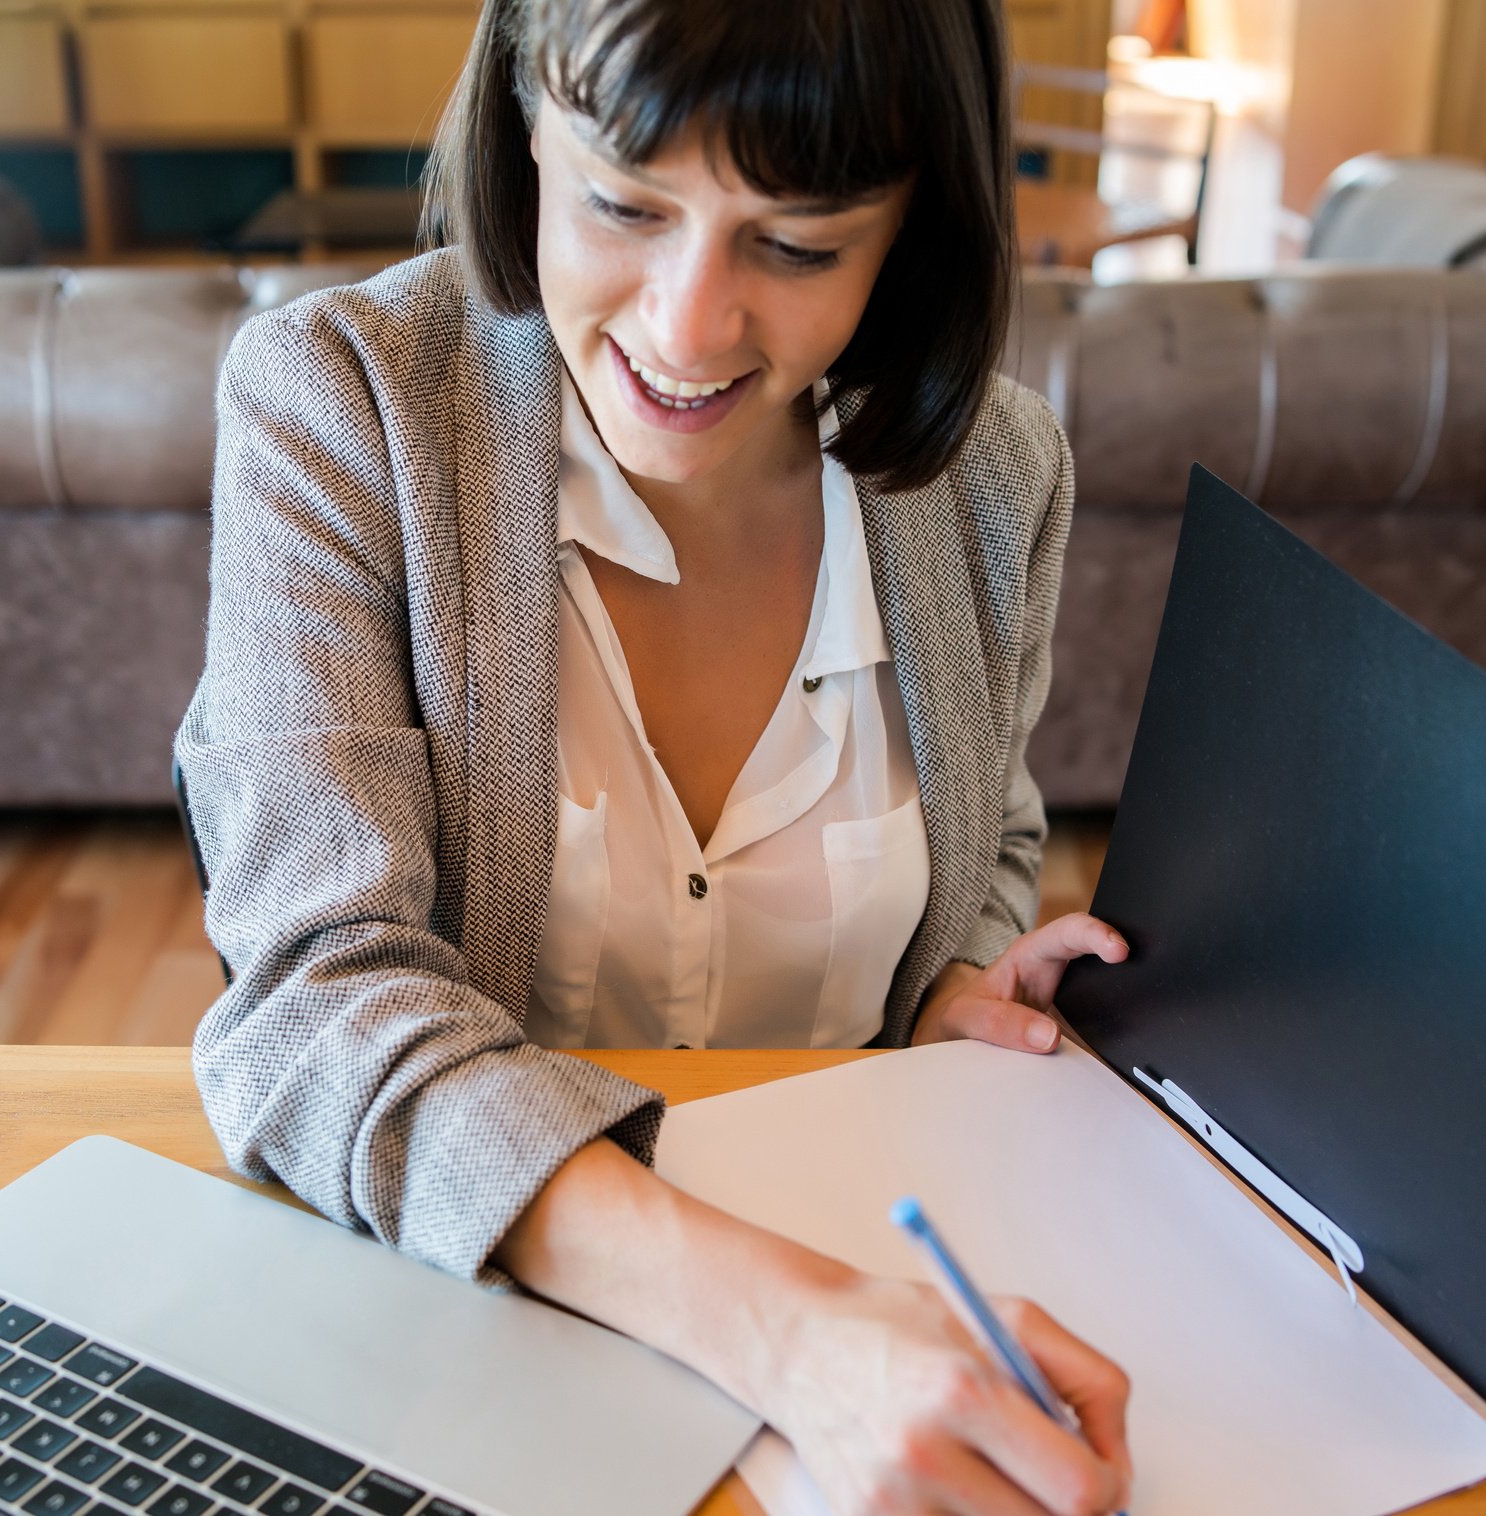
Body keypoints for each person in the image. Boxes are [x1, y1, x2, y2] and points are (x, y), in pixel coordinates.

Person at [175, 0, 1134, 1510]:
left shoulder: (997, 478)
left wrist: (955, 989)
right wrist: (792, 1335)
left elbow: (993, 837)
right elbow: (311, 1005)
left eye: (801, 245)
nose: (687, 329)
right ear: (520, 131)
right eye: (623, 205)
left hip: (864, 1370)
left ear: (912, 232)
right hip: (461, 1346)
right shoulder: (339, 403)